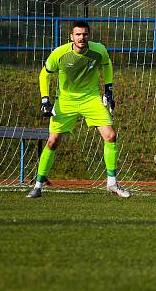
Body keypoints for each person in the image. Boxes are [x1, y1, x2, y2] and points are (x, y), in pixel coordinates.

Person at [28, 20, 129, 198]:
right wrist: (45, 100)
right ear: (71, 36)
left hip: (91, 99)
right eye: (78, 34)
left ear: (88, 35)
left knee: (111, 135)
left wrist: (108, 89)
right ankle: (38, 186)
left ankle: (112, 183)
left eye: (85, 34)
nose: (82, 37)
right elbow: (44, 74)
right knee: (53, 141)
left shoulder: (99, 50)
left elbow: (106, 65)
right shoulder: (59, 53)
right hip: (66, 101)